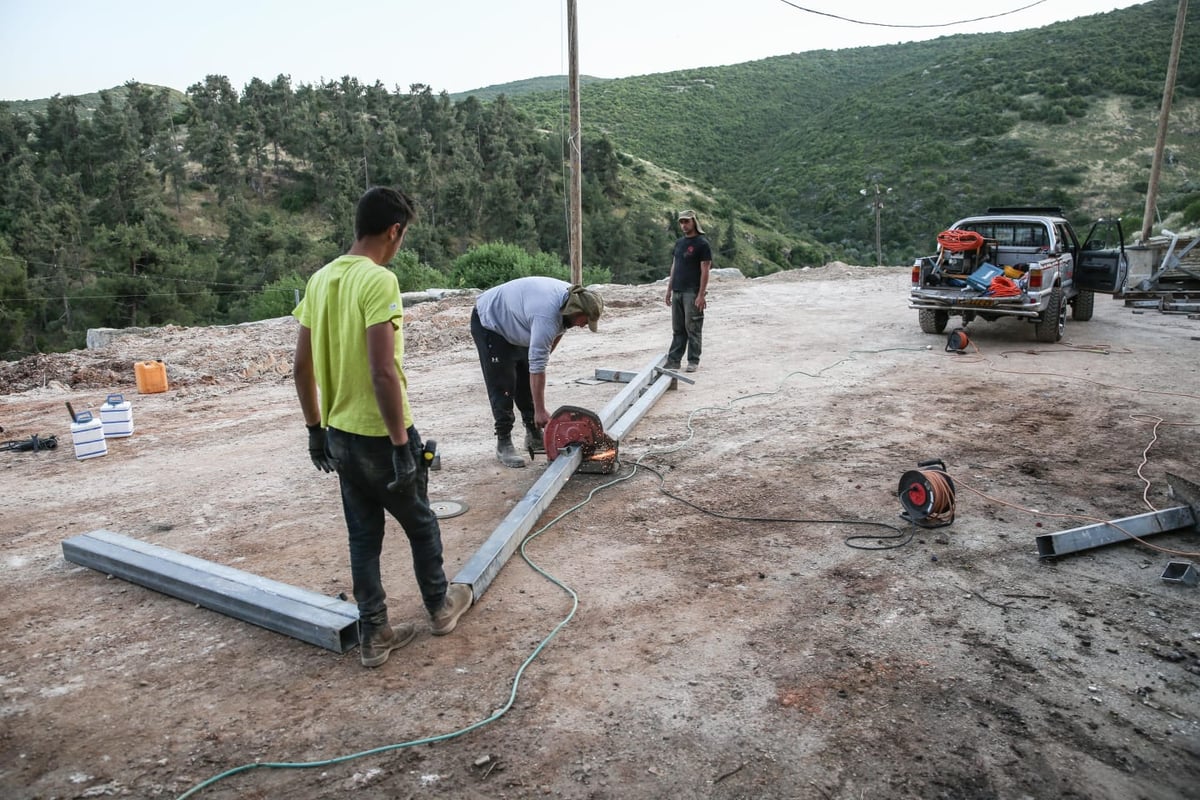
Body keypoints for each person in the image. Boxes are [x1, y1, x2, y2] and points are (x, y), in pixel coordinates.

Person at [293, 186, 472, 668]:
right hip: (380, 434)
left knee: (362, 537)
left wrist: (314, 429)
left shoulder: (320, 280)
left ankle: (375, 634)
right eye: (403, 235)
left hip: (338, 436)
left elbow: (301, 367)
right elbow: (382, 371)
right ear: (394, 230)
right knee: (421, 523)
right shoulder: (379, 281)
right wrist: (399, 444)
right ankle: (439, 607)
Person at [471, 276, 604, 468]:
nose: (584, 325)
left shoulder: (571, 300)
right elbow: (538, 366)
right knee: (504, 385)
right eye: (585, 321)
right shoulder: (546, 316)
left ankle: (533, 434)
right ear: (577, 312)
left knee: (526, 374)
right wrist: (540, 411)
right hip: (492, 322)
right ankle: (504, 442)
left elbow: (555, 336)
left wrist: (538, 357)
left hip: (519, 320)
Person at [664, 209, 712, 373]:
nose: (684, 225)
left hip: (692, 291)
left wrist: (701, 294)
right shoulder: (679, 243)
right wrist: (669, 289)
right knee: (678, 329)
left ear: (694, 222)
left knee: (693, 327)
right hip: (678, 290)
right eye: (681, 222)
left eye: (687, 221)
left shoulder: (702, 244)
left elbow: (705, 270)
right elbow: (674, 266)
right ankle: (674, 360)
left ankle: (693, 360)